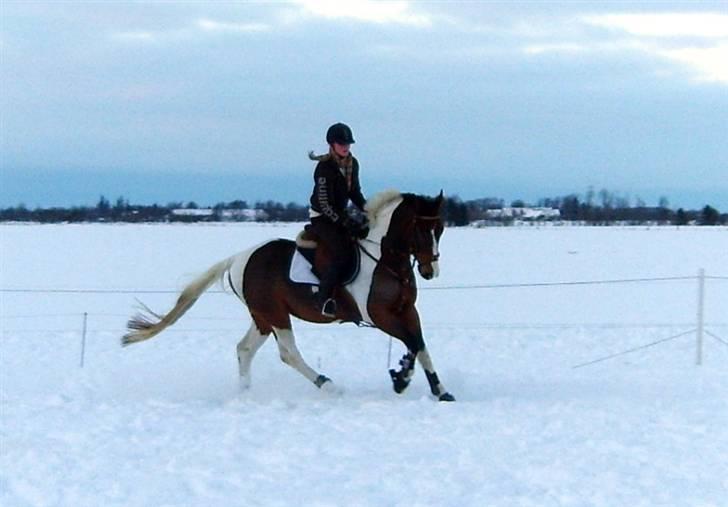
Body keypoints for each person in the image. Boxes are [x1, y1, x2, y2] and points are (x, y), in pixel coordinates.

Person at [308, 122, 369, 317]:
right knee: (341, 252)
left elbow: (355, 193)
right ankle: (324, 298)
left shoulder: (353, 164)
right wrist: (345, 222)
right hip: (322, 218)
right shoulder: (324, 167)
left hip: (340, 214)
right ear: (331, 144)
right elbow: (325, 204)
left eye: (348, 143)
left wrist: (369, 211)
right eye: (341, 143)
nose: (346, 147)